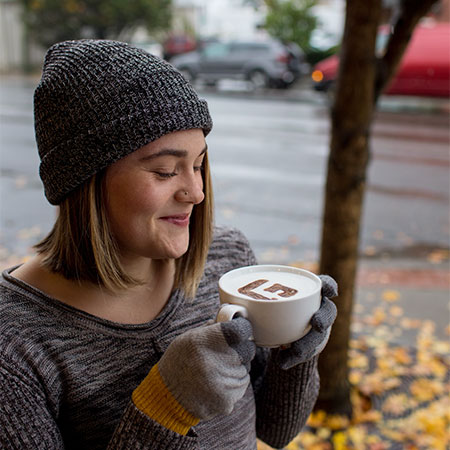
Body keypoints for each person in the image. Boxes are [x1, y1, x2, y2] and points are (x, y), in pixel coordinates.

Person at [0, 40, 337, 450]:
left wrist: (296, 355)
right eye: (164, 171)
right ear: (85, 180)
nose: (196, 192)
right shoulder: (14, 344)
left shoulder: (225, 260)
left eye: (198, 165)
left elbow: (275, 429)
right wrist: (164, 410)